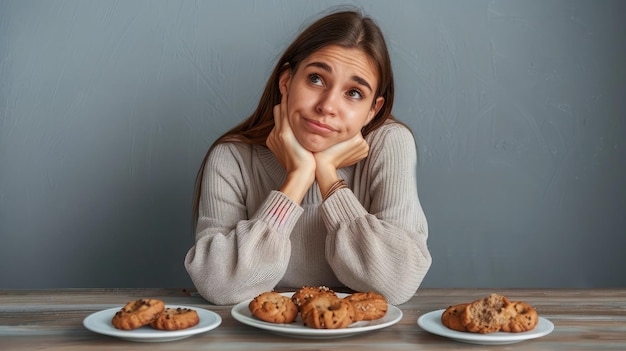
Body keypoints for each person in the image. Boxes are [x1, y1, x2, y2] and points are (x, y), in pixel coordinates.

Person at [184, 8, 431, 306]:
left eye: (353, 93)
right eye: (316, 79)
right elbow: (218, 285)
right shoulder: (232, 158)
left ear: (372, 110)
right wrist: (297, 179)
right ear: (286, 81)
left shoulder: (390, 144)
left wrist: (328, 176)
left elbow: (398, 283)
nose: (328, 105)